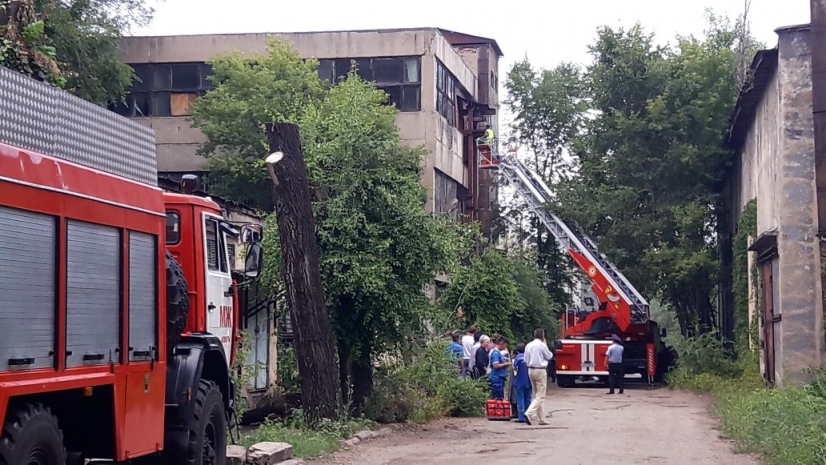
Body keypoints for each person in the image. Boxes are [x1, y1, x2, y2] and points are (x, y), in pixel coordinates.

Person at [523, 328, 554, 426]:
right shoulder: (542, 345)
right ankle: (528, 413)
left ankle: (541, 418)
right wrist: (545, 344)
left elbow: (525, 359)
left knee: (536, 394)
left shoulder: (528, 345)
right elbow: (549, 356)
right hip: (540, 369)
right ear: (543, 336)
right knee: (540, 396)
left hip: (530, 369)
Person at [512, 343, 532, 422]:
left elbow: (514, 368)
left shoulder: (518, 358)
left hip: (519, 381)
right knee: (528, 399)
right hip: (529, 380)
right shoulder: (529, 357)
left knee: (520, 399)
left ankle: (521, 417)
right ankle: (528, 415)